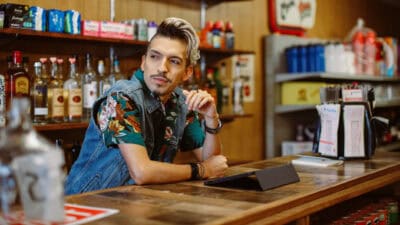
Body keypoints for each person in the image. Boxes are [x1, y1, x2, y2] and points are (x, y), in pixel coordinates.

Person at [65, 17, 228, 195]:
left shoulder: (180, 102)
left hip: (134, 204)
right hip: (87, 206)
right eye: (155, 57)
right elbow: (141, 172)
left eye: (174, 61)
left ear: (187, 72)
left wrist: (211, 117)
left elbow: (214, 165)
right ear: (144, 62)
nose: (162, 68)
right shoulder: (121, 98)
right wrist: (201, 170)